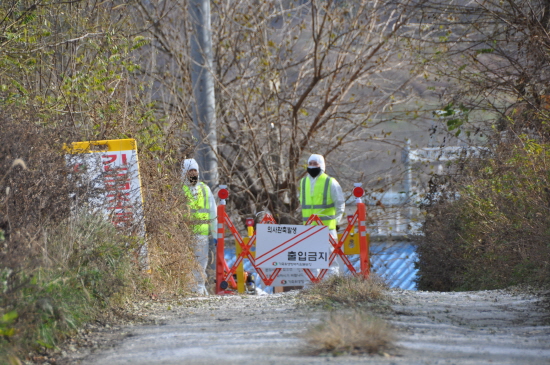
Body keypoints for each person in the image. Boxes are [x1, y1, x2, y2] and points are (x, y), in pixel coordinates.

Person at [299, 154, 346, 276]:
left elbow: (340, 204)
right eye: (310, 163)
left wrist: (336, 222)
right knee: (310, 261)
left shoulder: (330, 182)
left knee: (330, 261)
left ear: (322, 165)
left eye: (315, 164)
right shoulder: (303, 182)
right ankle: (311, 289)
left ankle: (330, 289)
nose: (312, 166)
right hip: (309, 228)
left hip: (327, 228)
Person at [181, 158, 217, 296]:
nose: (193, 174)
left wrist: (216, 236)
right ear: (184, 173)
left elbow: (213, 213)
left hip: (201, 235)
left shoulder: (204, 189)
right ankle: (191, 290)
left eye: (195, 171)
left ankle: (199, 290)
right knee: (187, 265)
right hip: (184, 235)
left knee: (201, 265)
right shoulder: (179, 191)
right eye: (190, 171)